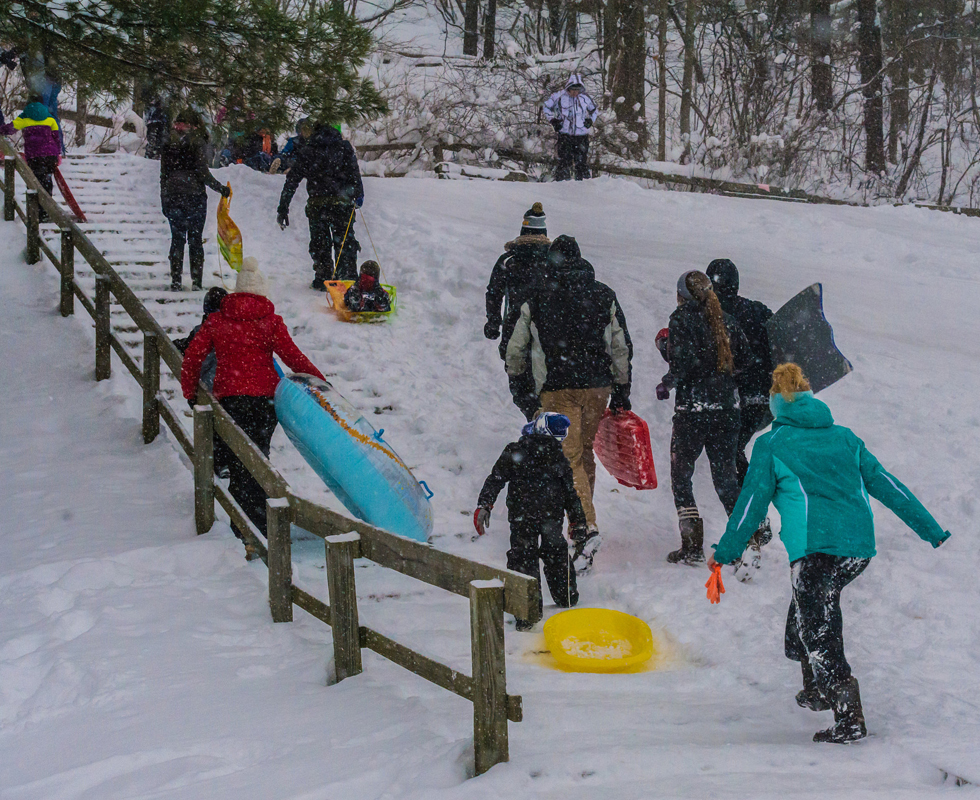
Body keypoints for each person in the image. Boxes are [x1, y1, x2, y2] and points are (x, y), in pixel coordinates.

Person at [709, 363, 950, 744]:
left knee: (819, 628)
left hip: (816, 549)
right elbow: (887, 484)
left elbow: (752, 503)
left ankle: (848, 716)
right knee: (808, 614)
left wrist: (726, 551)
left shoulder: (772, 444)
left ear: (776, 403)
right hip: (857, 549)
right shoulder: (845, 438)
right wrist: (930, 529)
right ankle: (817, 689)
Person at [506, 235, 632, 573]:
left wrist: (520, 385)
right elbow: (620, 345)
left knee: (568, 456)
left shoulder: (538, 296)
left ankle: (584, 527)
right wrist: (622, 386)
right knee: (583, 452)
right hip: (598, 388)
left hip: (557, 388)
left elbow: (516, 348)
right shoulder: (603, 294)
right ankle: (580, 523)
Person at [180, 258, 326, 541]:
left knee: (238, 462)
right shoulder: (271, 322)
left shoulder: (217, 321)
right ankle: (257, 525)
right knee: (259, 460)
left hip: (231, 401)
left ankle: (243, 528)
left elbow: (192, 357)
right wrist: (321, 383)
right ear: (261, 290)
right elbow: (294, 358)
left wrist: (190, 393)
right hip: (264, 404)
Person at [656, 270, 753, 565]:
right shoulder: (726, 319)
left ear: (681, 296)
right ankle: (744, 542)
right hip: (726, 409)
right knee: (726, 478)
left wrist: (667, 381)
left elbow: (683, 364)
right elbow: (746, 359)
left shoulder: (681, 319)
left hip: (693, 410)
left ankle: (691, 546)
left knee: (681, 476)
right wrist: (721, 375)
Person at [475, 413, 584, 630]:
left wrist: (485, 504)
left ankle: (525, 612)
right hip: (550, 515)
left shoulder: (516, 451)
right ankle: (566, 598)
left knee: (523, 558)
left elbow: (495, 479)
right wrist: (577, 521)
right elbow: (570, 494)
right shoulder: (557, 457)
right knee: (556, 554)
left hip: (522, 515)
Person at [707, 258, 776, 579]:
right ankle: (756, 515)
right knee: (735, 453)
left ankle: (753, 518)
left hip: (735, 399)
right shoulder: (759, 311)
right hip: (764, 401)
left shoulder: (713, 314)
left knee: (730, 455)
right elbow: (782, 344)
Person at [277, 122, 364, 289]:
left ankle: (323, 276)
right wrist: (358, 195)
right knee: (345, 240)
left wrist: (283, 208)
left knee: (320, 242)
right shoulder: (344, 147)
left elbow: (292, 180)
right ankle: (346, 277)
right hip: (342, 203)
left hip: (317, 203)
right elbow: (354, 173)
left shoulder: (309, 150)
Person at [160, 109, 229, 292]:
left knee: (177, 239)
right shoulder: (197, 143)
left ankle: (176, 280)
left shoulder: (169, 143)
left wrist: (164, 198)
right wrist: (220, 188)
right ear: (195, 125)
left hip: (173, 195)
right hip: (194, 197)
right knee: (195, 240)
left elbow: (163, 174)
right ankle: (196, 281)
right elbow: (203, 173)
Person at [174, 287, 230, 477]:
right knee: (227, 425)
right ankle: (227, 461)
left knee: (214, 426)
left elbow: (192, 352)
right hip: (231, 385)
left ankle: (218, 462)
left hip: (210, 386)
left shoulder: (203, 329)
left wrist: (190, 394)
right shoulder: (234, 328)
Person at [484, 203, 550, 358]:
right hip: (548, 330)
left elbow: (494, 293)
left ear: (523, 231)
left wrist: (493, 322)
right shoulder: (554, 260)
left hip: (515, 328)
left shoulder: (509, 260)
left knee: (515, 368)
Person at [0, 99, 62, 222]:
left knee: (34, 183)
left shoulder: (25, 119)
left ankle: (36, 213)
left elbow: (8, 130)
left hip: (35, 156)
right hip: (50, 155)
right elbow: (57, 138)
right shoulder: (50, 119)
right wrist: (58, 154)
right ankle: (46, 211)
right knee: (46, 182)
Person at [542, 74, 597, 182]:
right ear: (568, 87)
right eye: (573, 90)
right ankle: (562, 184)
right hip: (565, 135)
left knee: (581, 162)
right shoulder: (558, 97)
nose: (575, 92)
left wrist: (590, 120)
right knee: (564, 161)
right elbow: (546, 107)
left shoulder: (585, 98)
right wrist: (553, 120)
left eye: (577, 90)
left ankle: (583, 184)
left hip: (581, 136)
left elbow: (594, 110)